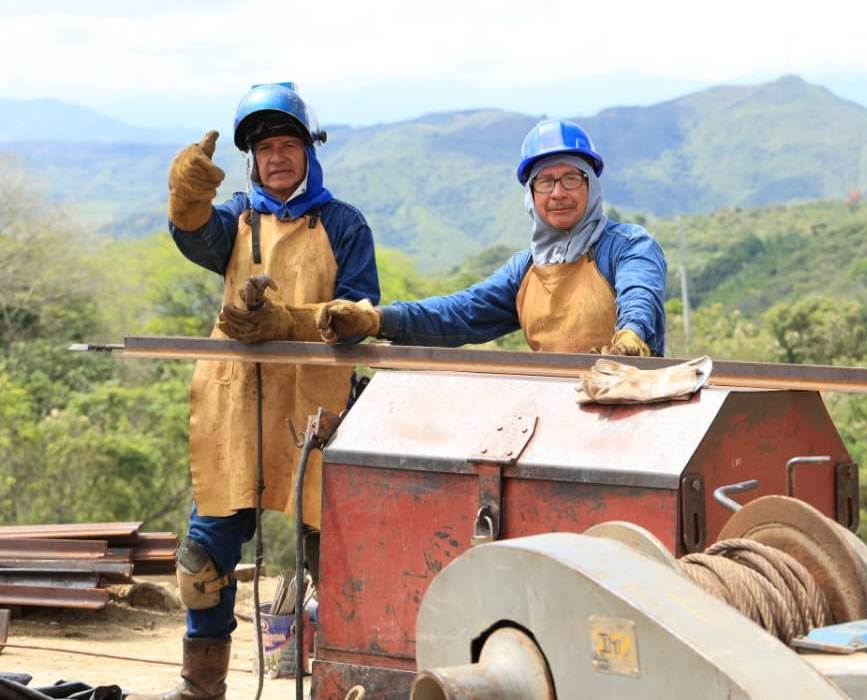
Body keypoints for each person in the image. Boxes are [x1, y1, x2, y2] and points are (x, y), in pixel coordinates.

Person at [130, 83, 379, 700]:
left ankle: (351, 681)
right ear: (252, 159)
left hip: (315, 405)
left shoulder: (344, 225)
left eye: (287, 145)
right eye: (266, 148)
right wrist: (186, 199)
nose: (277, 158)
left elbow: (361, 308)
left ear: (309, 151)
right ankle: (201, 686)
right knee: (203, 561)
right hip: (237, 404)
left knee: (338, 559)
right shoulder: (236, 219)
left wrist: (297, 319)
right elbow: (196, 237)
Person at [316, 118, 666, 356]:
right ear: (531, 195)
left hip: (632, 413)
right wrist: (378, 319)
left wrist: (631, 335)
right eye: (545, 181)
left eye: (572, 178)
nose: (558, 192)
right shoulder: (527, 269)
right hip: (560, 418)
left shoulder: (628, 246)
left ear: (591, 186)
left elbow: (640, 293)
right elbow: (459, 313)